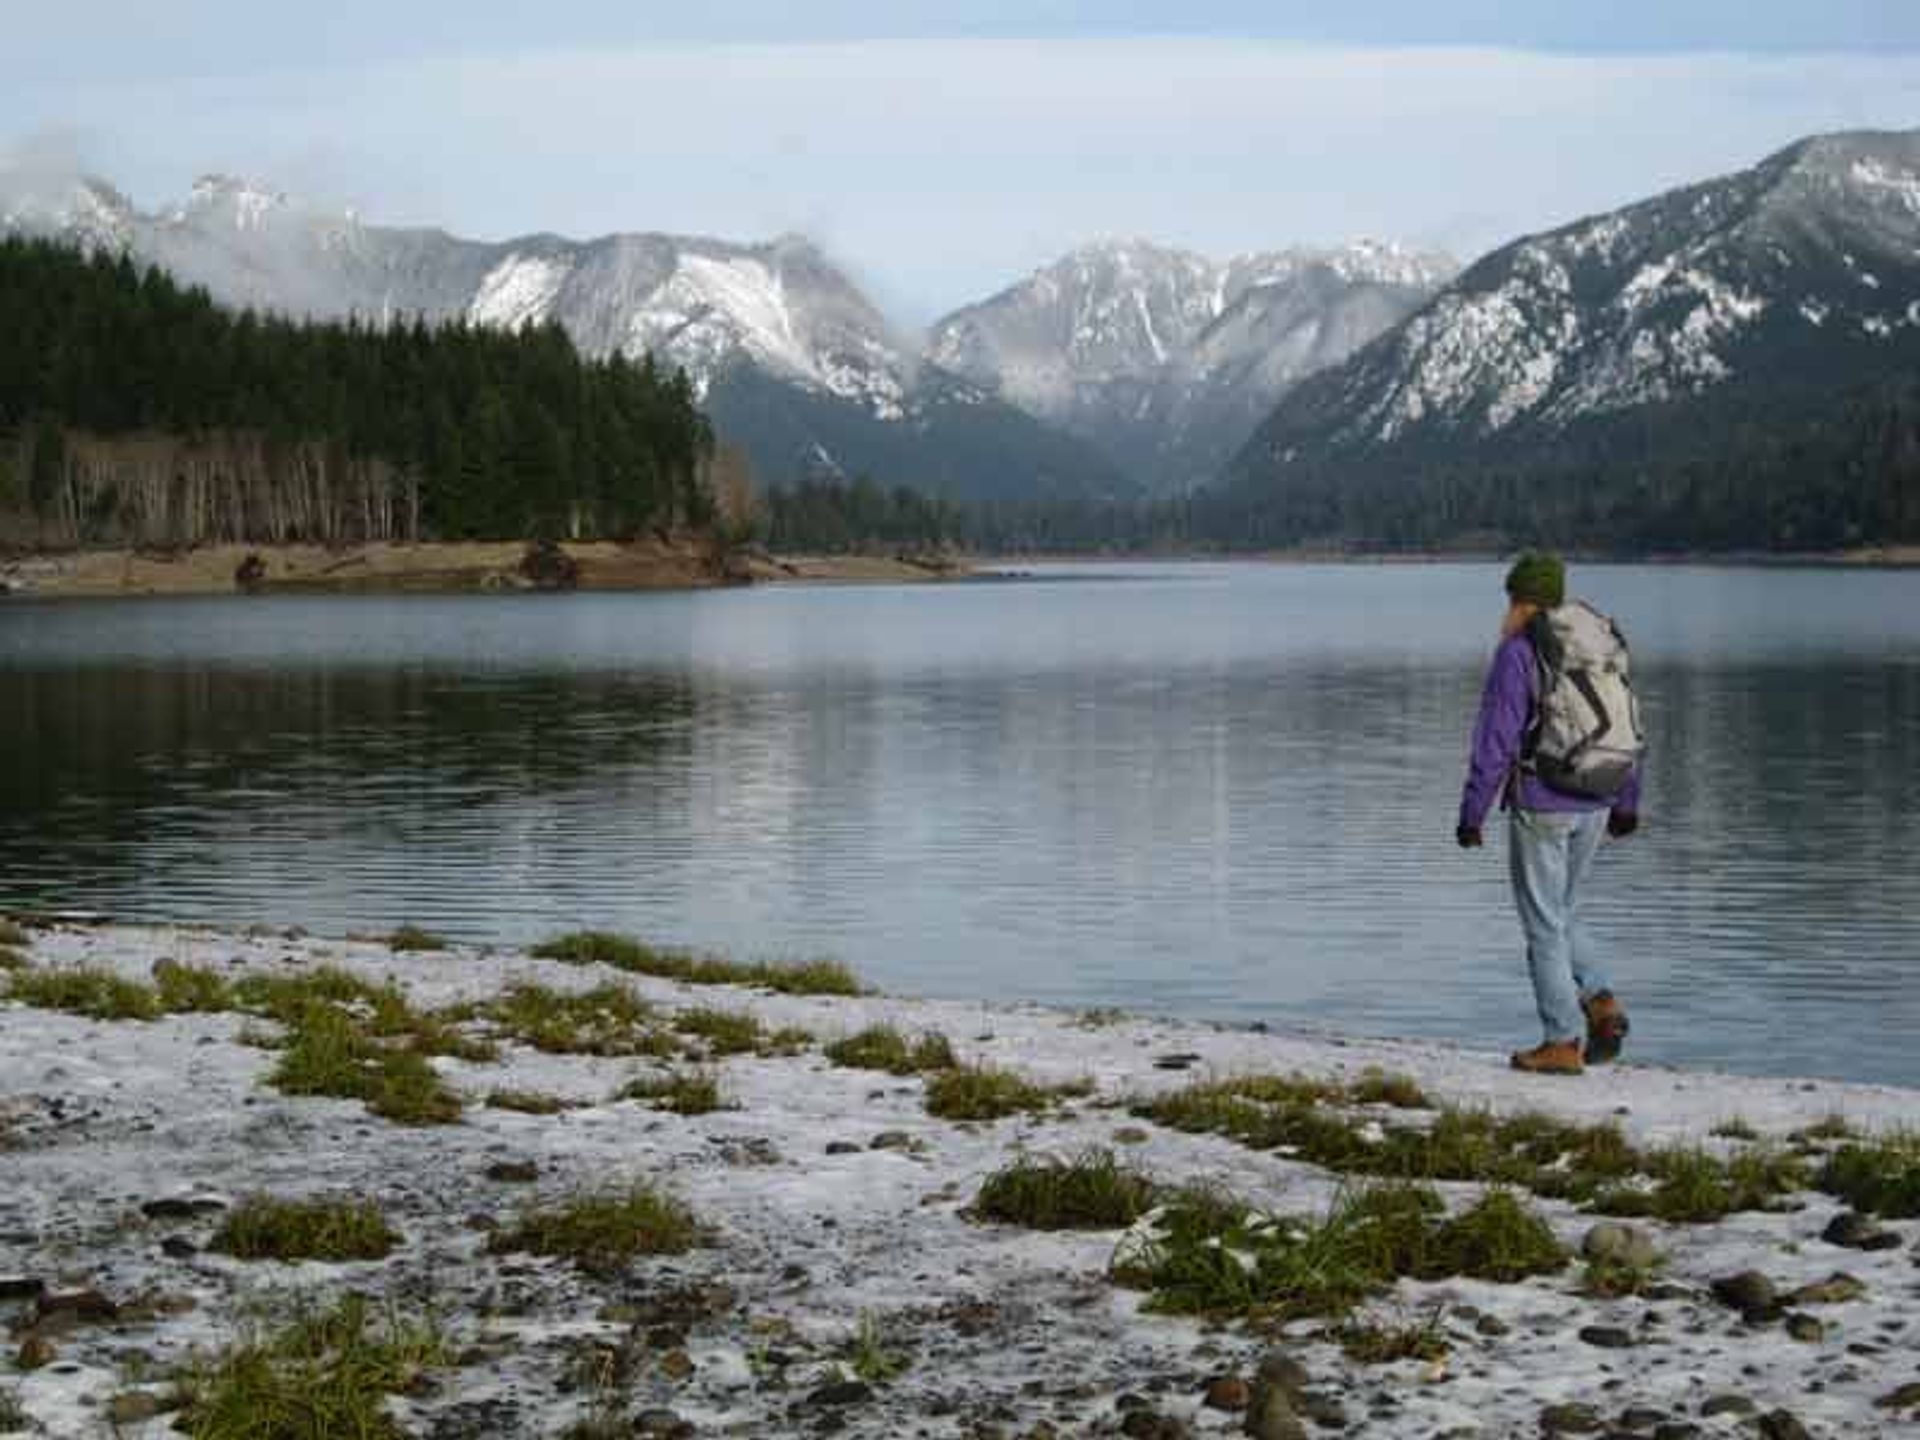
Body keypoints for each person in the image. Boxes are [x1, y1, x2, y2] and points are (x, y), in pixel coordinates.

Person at [1456, 552, 1640, 1076]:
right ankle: (1601, 1002)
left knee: (1542, 924)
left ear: (1519, 599)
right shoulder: (1600, 641)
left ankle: (1561, 1040)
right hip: (1600, 795)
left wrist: (1474, 812)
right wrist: (1627, 800)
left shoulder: (1521, 651)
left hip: (1544, 801)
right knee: (1564, 911)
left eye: (1510, 597)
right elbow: (1629, 724)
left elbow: (1496, 738)